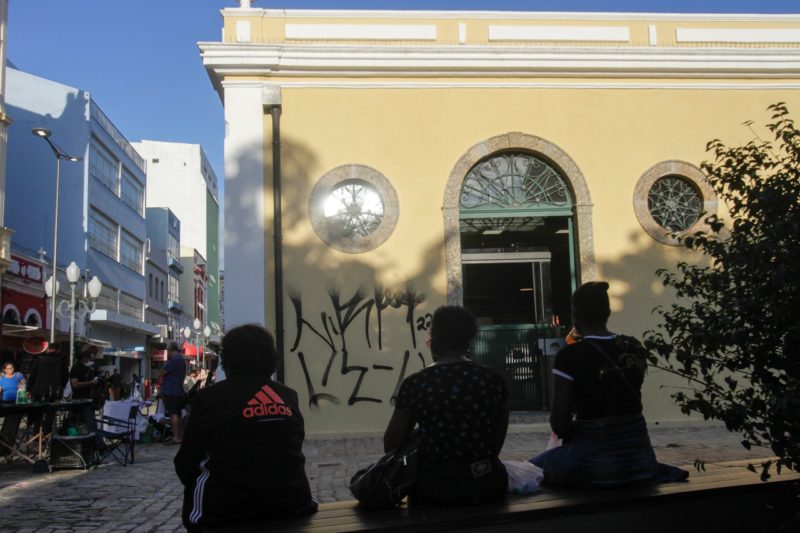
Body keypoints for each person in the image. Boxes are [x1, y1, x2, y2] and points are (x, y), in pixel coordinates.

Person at [529, 281, 687, 487]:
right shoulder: (633, 346)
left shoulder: (569, 356)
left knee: (527, 471)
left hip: (595, 463)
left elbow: (559, 424)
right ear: (608, 312)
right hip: (640, 461)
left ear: (576, 315)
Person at [174, 324, 317, 531]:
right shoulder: (287, 396)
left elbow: (186, 462)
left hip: (223, 516)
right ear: (272, 358)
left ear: (227, 360)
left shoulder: (211, 398)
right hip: (291, 507)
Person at [383, 306, 509, 506]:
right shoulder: (493, 379)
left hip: (434, 488)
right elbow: (496, 441)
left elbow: (391, 444)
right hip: (487, 483)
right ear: (469, 339)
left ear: (434, 340)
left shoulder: (416, 384)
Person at [159, 342, 187, 444]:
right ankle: (178, 435)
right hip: (179, 390)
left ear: (170, 350)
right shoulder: (181, 360)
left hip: (171, 390)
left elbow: (161, 372)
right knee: (178, 414)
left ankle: (175, 437)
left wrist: (163, 368)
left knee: (173, 413)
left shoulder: (173, 360)